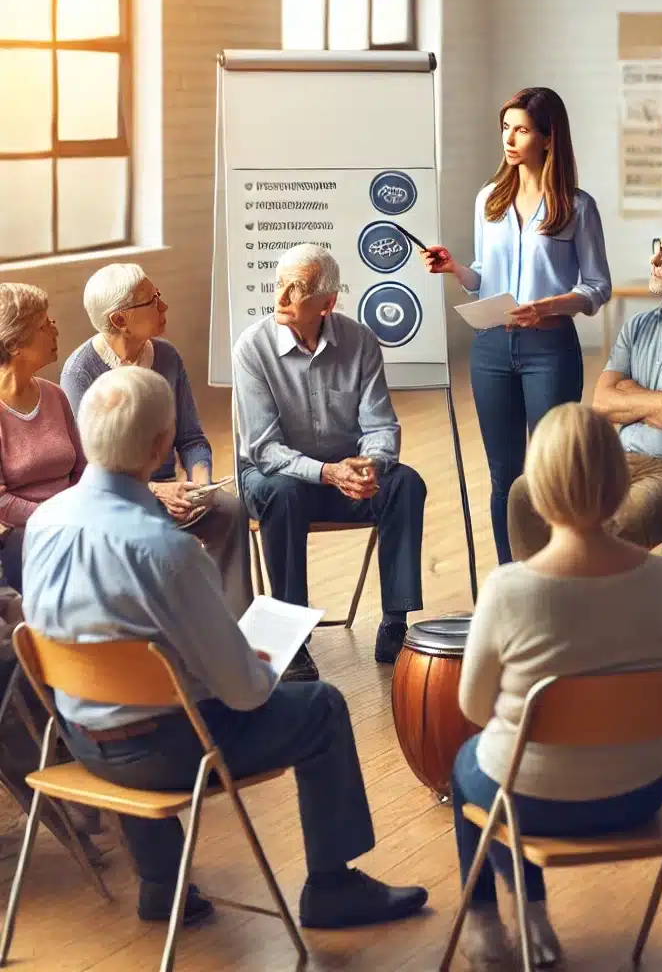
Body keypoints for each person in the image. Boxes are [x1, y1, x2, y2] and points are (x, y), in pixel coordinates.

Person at [20, 366, 428, 930]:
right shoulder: (166, 549)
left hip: (77, 741)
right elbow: (241, 693)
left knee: (126, 687)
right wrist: (256, 666)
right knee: (322, 707)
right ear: (163, 445)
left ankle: (163, 886)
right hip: (165, 754)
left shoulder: (44, 521)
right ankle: (332, 886)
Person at [451, 403, 662, 968]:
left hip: (534, 804)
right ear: (619, 481)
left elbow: (474, 706)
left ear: (538, 485)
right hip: (639, 791)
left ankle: (493, 921)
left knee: (474, 763)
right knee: (513, 762)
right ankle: (526, 914)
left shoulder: (509, 588)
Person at [419, 87, 612, 564]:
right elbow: (486, 276)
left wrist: (549, 306)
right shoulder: (490, 200)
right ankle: (512, 581)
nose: (509, 138)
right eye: (505, 128)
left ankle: (555, 573)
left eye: (521, 129)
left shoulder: (577, 206)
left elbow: (597, 286)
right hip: (490, 351)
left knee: (549, 471)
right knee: (504, 473)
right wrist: (456, 269)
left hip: (550, 351)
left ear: (548, 139)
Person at [506, 215, 662, 558]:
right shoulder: (637, 327)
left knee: (605, 530)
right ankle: (538, 596)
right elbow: (603, 403)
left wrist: (633, 395)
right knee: (525, 492)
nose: (654, 260)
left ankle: (579, 603)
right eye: (658, 249)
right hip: (618, 459)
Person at [234, 243, 426, 674]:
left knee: (405, 483)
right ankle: (290, 638)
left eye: (295, 289)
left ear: (327, 302)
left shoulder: (359, 341)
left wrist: (370, 466)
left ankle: (396, 623)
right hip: (274, 477)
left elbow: (380, 426)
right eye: (279, 284)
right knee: (282, 494)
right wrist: (327, 473)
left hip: (343, 475)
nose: (280, 298)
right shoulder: (253, 347)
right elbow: (264, 449)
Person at [60, 263, 252, 619]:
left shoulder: (167, 356)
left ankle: (235, 625)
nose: (164, 307)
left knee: (230, 512)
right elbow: (90, 464)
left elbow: (192, 438)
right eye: (152, 301)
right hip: (117, 497)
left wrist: (200, 484)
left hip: (174, 491)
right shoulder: (80, 371)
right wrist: (157, 492)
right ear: (119, 320)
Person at [0, 283, 84, 593]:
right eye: (43, 325)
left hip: (75, 521)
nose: (55, 331)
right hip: (23, 535)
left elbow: (83, 469)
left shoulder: (54, 395)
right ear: (13, 344)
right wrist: (59, 518)